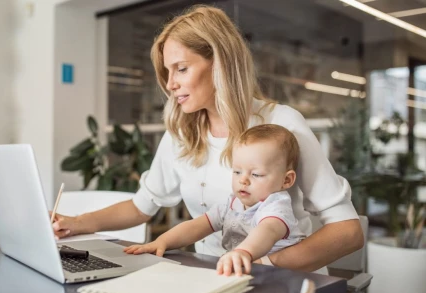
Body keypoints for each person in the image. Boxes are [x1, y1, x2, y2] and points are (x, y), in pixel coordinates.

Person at [52, 5, 364, 273]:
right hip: (212, 276)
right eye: (167, 72)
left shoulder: (280, 125)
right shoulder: (182, 134)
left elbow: (347, 232)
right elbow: (142, 206)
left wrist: (265, 265)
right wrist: (78, 223)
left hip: (282, 281)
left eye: (181, 69)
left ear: (219, 63)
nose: (171, 84)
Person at [124, 124, 305, 276]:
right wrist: (162, 242)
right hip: (248, 272)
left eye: (256, 174)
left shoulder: (276, 205)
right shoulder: (231, 204)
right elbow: (197, 226)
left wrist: (243, 252)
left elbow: (267, 230)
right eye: (237, 171)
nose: (243, 180)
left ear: (286, 180)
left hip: (282, 277)